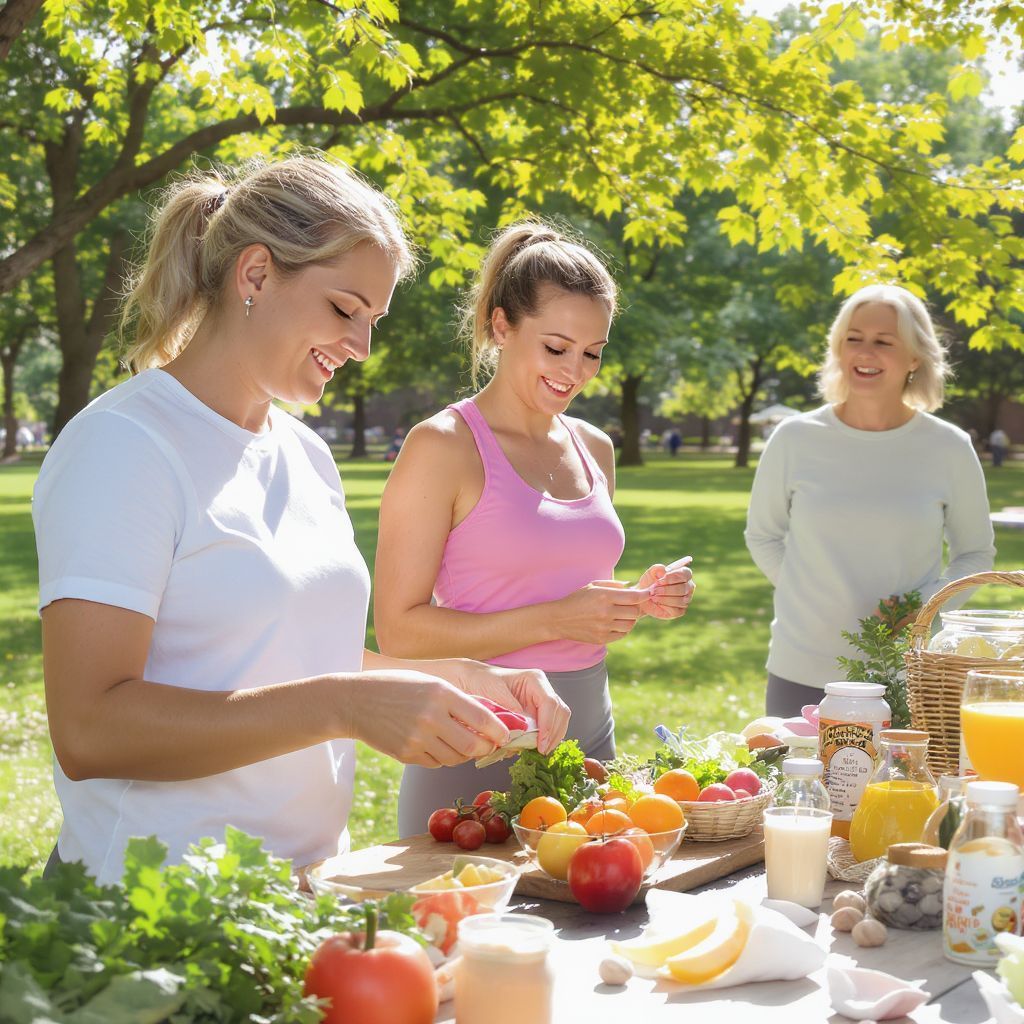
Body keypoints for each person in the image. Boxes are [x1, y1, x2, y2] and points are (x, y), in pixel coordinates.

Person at [32, 157, 570, 885]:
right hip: (154, 911)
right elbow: (90, 731)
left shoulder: (307, 454)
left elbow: (287, 657)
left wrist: (463, 680)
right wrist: (344, 707)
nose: (362, 346)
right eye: (345, 309)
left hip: (299, 893)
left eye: (373, 321)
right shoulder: (124, 446)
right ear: (254, 275)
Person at [373, 220, 696, 837]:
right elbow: (399, 634)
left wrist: (635, 597)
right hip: (474, 736)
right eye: (556, 347)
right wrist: (559, 617)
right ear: (502, 326)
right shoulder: (442, 446)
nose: (574, 371)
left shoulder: (595, 447)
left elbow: (556, 580)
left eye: (593, 352)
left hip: (587, 727)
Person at [744, 284, 995, 718]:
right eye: (853, 338)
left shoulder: (949, 447)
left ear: (915, 357)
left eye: (884, 342)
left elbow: (975, 554)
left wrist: (921, 612)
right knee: (799, 786)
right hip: (800, 668)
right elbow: (763, 535)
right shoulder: (795, 438)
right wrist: (806, 592)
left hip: (903, 676)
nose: (865, 352)